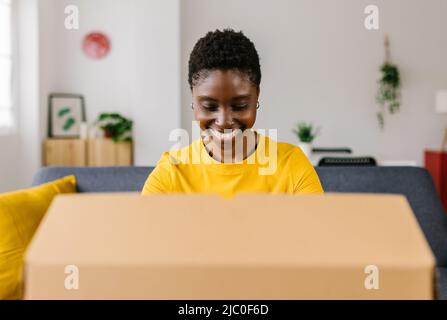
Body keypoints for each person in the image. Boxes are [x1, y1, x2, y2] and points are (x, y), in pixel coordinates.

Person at [142, 29, 323, 198]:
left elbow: (320, 231)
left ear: (256, 96)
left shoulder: (291, 166)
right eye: (210, 106)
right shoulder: (171, 173)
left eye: (239, 105)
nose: (224, 121)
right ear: (193, 100)